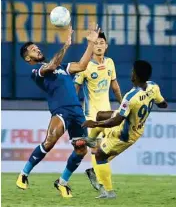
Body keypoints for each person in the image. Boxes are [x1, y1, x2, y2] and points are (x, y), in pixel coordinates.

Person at [16, 25, 100, 198]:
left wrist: (91, 43)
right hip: (61, 111)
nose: (37, 49)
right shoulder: (37, 71)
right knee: (50, 140)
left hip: (77, 111)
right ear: (27, 58)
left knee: (81, 150)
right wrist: (67, 44)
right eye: (33, 50)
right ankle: (23, 174)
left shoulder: (63, 67)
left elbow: (83, 65)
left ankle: (62, 182)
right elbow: (53, 64)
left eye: (37, 47)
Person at [83, 60, 168, 198]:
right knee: (100, 115)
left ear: (136, 76)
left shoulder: (130, 97)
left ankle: (109, 192)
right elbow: (163, 104)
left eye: (132, 71)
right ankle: (91, 140)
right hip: (134, 123)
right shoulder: (153, 87)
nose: (131, 73)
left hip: (125, 134)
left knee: (100, 155)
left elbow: (115, 122)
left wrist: (94, 124)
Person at [74, 31, 122, 192]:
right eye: (96, 43)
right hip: (91, 116)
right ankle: (103, 186)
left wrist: (123, 105)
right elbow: (75, 89)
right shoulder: (85, 65)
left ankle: (94, 172)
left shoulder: (110, 63)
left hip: (107, 115)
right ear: (91, 46)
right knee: (98, 149)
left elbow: (114, 86)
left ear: (106, 46)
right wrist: (73, 110)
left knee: (114, 146)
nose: (99, 45)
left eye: (102, 43)